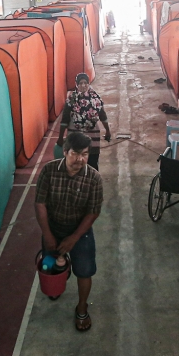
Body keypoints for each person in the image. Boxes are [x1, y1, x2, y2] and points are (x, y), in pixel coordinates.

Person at [34, 131, 103, 332]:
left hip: (80, 231)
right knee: (50, 267)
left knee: (84, 271)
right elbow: (40, 204)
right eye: (75, 153)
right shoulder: (48, 171)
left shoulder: (94, 179)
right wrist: (47, 235)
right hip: (52, 227)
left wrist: (74, 238)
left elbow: (93, 212)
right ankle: (59, 277)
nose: (80, 159)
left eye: (85, 154)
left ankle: (82, 308)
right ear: (64, 152)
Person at [58, 73, 111, 170]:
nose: (83, 85)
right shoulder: (71, 99)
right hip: (75, 135)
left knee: (92, 163)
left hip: (92, 136)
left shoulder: (96, 98)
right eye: (80, 83)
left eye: (85, 83)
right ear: (76, 84)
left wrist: (108, 130)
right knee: (75, 162)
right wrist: (60, 137)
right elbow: (65, 119)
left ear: (88, 83)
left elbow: (102, 115)